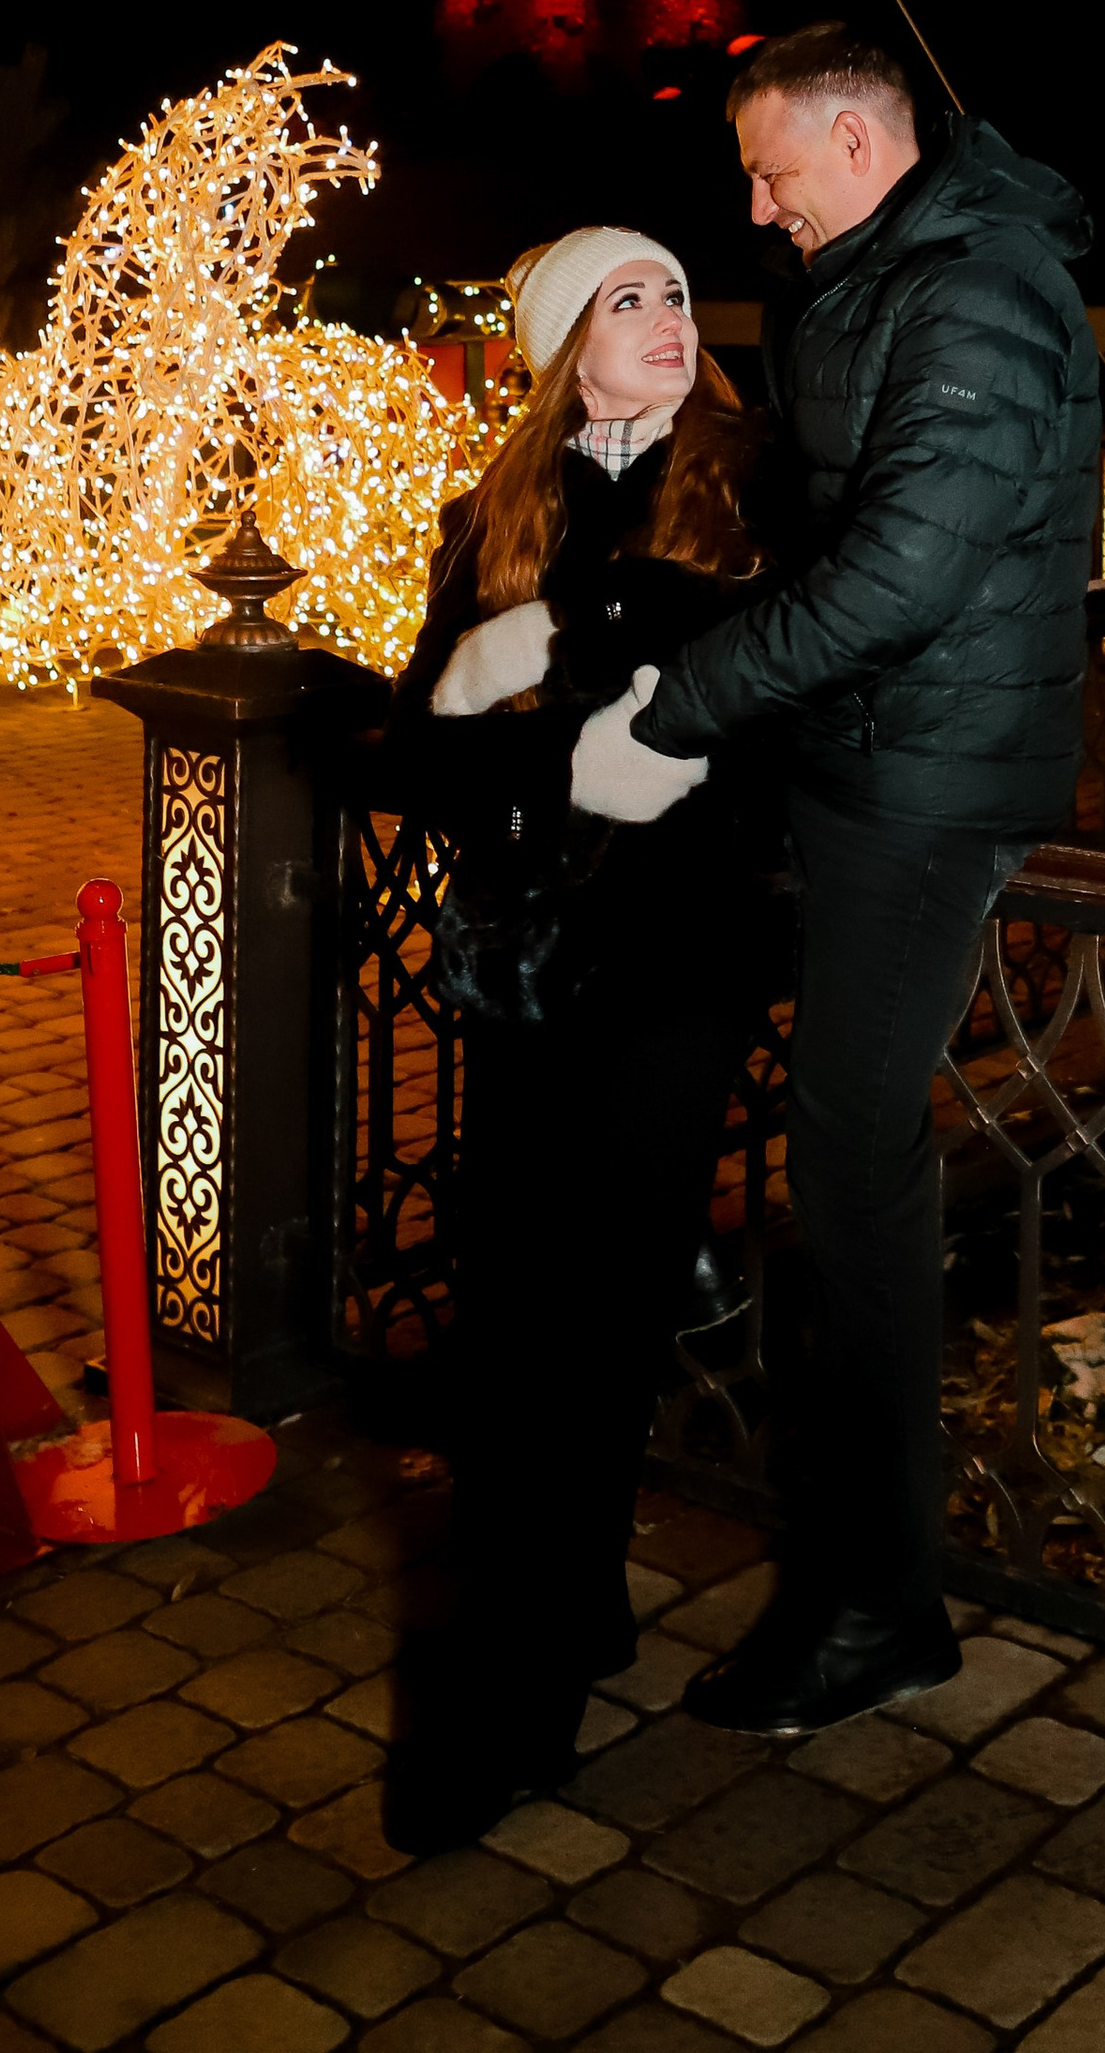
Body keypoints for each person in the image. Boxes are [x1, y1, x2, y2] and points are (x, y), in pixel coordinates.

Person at [571, 24, 1101, 1734]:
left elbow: (896, 576)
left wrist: (682, 708)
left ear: (862, 144)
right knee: (836, 1154)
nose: (753, 204)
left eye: (772, 170)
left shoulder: (976, 298)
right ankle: (861, 1568)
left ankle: (878, 1599)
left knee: (855, 1170)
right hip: (868, 765)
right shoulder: (893, 279)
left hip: (923, 785)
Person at [379, 225, 783, 1853]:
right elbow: (418, 751)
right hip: (530, 974)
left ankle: (506, 1704)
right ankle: (573, 1602)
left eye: (679, 294)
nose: (669, 319)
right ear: (561, 350)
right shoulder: (489, 520)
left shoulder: (755, 493)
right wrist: (514, 689)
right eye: (629, 299)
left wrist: (590, 713)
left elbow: (769, 728)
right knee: (519, 1320)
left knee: (596, 1311)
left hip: (678, 966)